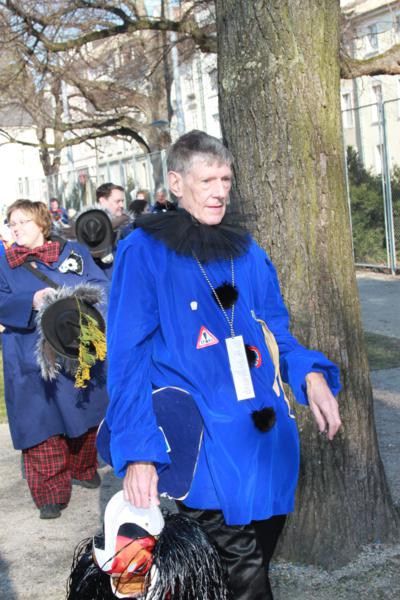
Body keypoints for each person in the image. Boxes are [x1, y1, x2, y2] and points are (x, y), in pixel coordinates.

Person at [104, 131, 342, 600]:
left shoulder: (248, 251)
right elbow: (127, 360)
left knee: (236, 572)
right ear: (176, 183)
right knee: (245, 576)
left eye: (226, 180)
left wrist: (310, 376)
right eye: (207, 180)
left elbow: (277, 333)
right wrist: (139, 453)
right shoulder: (144, 252)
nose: (219, 192)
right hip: (202, 451)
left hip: (264, 446)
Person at [0, 199, 109, 520]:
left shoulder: (73, 252)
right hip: (29, 354)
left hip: (74, 347)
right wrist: (29, 300)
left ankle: (83, 467)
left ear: (41, 223)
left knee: (85, 414)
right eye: (12, 223)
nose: (16, 228)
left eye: (23, 221)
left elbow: (102, 286)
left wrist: (75, 298)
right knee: (40, 424)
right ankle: (50, 492)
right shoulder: (4, 263)